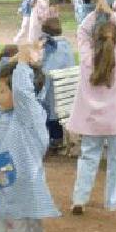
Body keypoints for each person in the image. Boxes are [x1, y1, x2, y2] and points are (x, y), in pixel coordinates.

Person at [0, 46, 61, 232]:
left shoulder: (30, 116)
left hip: (23, 197)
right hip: (4, 194)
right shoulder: (3, 111)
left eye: (2, 91)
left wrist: (24, 64)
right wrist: (14, 61)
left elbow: (22, 92)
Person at [67, 0, 116, 214]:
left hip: (91, 120)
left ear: (93, 40)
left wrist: (95, 12)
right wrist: (110, 12)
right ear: (115, 40)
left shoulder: (87, 58)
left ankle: (79, 198)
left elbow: (81, 31)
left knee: (88, 156)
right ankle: (113, 200)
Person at [39, 17, 75, 151]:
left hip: (55, 91)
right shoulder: (66, 45)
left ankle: (55, 138)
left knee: (43, 103)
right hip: (67, 89)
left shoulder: (53, 48)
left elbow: (48, 72)